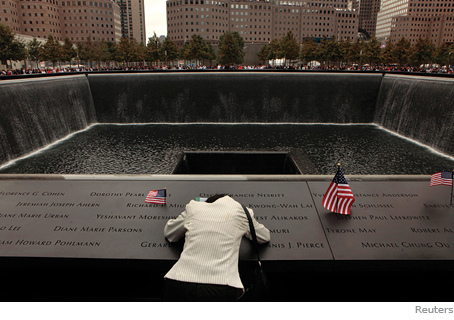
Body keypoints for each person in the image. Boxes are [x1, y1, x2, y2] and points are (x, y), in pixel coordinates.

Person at [162, 194, 270, 302]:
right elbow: (264, 237)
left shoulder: (194, 207)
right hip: (222, 286)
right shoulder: (242, 211)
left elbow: (170, 233)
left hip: (179, 280)